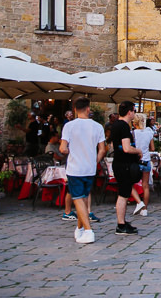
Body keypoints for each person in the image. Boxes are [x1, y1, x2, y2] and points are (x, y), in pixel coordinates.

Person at [59, 97, 107, 244]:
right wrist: (95, 160)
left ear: (74, 110)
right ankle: (79, 228)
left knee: (78, 198)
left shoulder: (69, 126)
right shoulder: (98, 126)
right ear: (88, 109)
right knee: (84, 197)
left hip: (75, 167)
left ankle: (88, 230)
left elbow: (62, 148)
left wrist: (68, 150)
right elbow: (102, 149)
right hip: (90, 167)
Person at [109, 101, 144, 235]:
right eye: (134, 111)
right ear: (129, 112)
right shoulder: (123, 126)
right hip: (124, 165)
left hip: (119, 163)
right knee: (123, 194)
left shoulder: (116, 125)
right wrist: (138, 151)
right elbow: (126, 148)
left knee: (123, 193)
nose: (134, 114)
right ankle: (121, 224)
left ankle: (122, 221)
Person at [132, 115, 155, 215]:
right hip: (146, 160)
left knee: (129, 183)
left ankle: (138, 201)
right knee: (145, 185)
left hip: (136, 160)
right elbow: (153, 148)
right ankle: (144, 209)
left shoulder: (133, 133)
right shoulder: (149, 133)